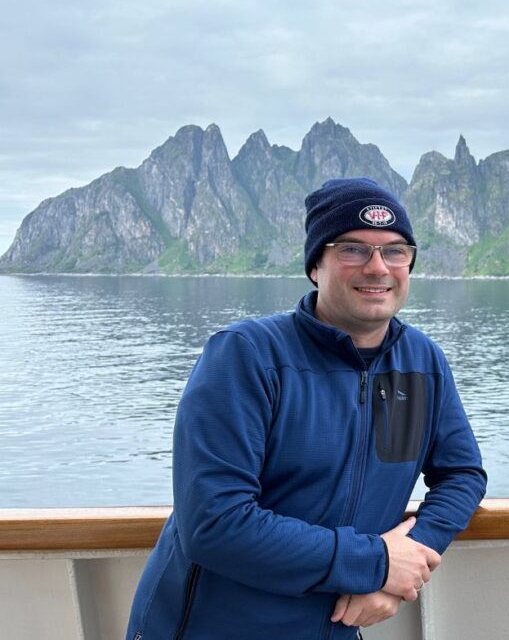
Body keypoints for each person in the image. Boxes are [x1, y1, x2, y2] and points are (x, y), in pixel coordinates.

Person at [125, 177, 487, 640]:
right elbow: (214, 523)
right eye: (353, 249)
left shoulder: (422, 363)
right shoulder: (246, 356)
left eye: (396, 251)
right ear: (316, 265)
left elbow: (462, 474)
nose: (378, 267)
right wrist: (375, 563)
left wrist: (406, 561)